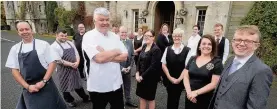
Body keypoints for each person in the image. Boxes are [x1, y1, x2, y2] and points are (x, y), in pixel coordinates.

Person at [5, 21, 67, 109]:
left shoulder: (43, 45)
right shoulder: (15, 49)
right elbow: (14, 70)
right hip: (28, 88)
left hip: (46, 85)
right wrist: (27, 87)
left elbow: (52, 63)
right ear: (18, 32)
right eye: (21, 30)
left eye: (27, 29)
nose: (25, 32)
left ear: (31, 30)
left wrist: (43, 81)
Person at [209, 25, 273, 109]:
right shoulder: (230, 60)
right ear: (232, 42)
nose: (241, 44)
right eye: (238, 39)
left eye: (248, 41)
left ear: (256, 46)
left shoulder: (262, 71)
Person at [82, 7, 128, 109]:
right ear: (94, 21)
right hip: (98, 86)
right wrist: (116, 51)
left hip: (116, 84)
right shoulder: (88, 36)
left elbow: (124, 56)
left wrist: (105, 53)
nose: (105, 22)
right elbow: (99, 59)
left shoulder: (114, 36)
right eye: (101, 20)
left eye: (107, 19)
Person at [51, 29, 90, 107]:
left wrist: (77, 62)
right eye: (62, 35)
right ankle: (69, 100)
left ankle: (85, 97)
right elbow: (58, 60)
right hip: (63, 70)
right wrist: (71, 64)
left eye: (65, 36)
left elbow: (77, 54)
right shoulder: (53, 47)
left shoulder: (69, 43)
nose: (64, 37)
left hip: (74, 67)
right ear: (56, 35)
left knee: (78, 83)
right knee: (65, 86)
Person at [183, 34, 223, 109]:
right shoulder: (192, 59)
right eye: (204, 43)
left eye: (209, 44)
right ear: (199, 46)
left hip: (205, 99)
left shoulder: (217, 62)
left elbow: (214, 84)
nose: (206, 46)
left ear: (213, 47)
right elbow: (185, 76)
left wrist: (196, 93)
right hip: (190, 96)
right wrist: (189, 92)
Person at [161, 28, 192, 109]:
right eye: (175, 36)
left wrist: (179, 79)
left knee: (176, 98)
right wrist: (169, 77)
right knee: (170, 98)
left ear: (182, 37)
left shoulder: (187, 50)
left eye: (179, 36)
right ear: (173, 37)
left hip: (181, 80)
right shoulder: (168, 49)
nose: (177, 38)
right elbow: (163, 64)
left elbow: (187, 67)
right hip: (169, 79)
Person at [136, 30, 162, 109]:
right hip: (141, 77)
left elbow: (153, 66)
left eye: (149, 36)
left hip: (150, 79)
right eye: (145, 35)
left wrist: (142, 77)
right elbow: (139, 60)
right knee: (142, 97)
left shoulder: (156, 49)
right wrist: (137, 73)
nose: (146, 37)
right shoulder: (144, 46)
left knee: (150, 99)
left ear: (153, 38)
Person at [118, 26, 138, 108]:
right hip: (118, 69)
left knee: (127, 85)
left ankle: (128, 100)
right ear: (119, 33)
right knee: (118, 87)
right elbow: (112, 58)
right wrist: (121, 68)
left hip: (128, 69)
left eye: (125, 32)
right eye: (122, 32)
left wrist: (130, 67)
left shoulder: (130, 42)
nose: (123, 34)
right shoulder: (115, 42)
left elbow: (132, 55)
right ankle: (119, 103)